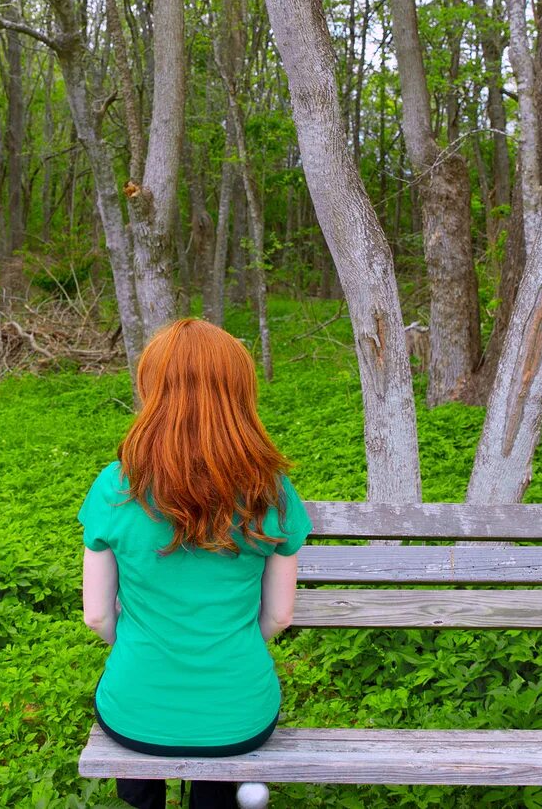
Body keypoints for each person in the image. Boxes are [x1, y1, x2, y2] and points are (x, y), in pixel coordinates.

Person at [78, 318, 310, 809]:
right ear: (239, 395)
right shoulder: (272, 491)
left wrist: (146, 648)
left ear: (152, 389)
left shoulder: (116, 485)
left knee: (139, 734)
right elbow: (280, 616)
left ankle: (144, 796)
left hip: (137, 710)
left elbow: (96, 616)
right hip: (240, 714)